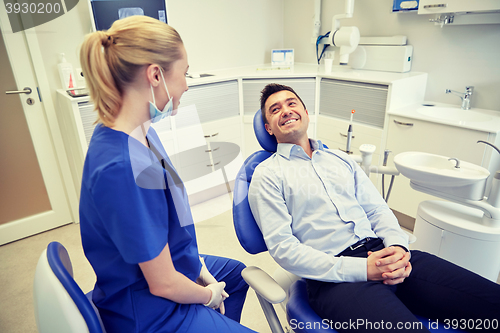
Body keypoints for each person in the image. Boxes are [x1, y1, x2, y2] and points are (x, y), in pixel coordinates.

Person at [248, 83, 500, 332]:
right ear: (269, 128)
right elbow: (284, 249)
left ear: (305, 113)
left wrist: (398, 247)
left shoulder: (340, 159)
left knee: (490, 301)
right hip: (335, 279)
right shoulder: (268, 175)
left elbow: (377, 209)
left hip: (384, 251)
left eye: (292, 103)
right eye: (275, 109)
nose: (286, 110)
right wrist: (362, 269)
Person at [78, 16, 255, 332]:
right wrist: (206, 295)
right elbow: (163, 285)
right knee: (219, 292)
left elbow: (166, 223)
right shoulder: (120, 167)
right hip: (150, 310)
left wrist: (197, 266)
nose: (187, 84)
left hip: (168, 268)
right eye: (184, 73)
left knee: (236, 276)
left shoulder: (141, 131)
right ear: (155, 75)